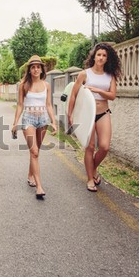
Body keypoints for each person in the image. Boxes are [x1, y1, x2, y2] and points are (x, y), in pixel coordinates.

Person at [67, 42, 121, 192]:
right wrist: (70, 114)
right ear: (94, 56)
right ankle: (90, 179)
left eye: (104, 55)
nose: (101, 58)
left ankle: (93, 168)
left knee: (104, 147)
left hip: (103, 113)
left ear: (107, 58)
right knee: (90, 147)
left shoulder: (110, 76)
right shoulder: (85, 74)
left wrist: (97, 89)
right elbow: (73, 95)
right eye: (99, 55)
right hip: (87, 114)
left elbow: (112, 96)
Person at [12, 55, 57, 199]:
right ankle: (39, 186)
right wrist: (15, 123)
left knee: (36, 152)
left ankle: (30, 174)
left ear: (42, 69)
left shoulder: (46, 85)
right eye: (33, 67)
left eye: (38, 67)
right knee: (35, 152)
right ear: (29, 70)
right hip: (28, 120)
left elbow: (48, 105)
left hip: (43, 120)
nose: (36, 69)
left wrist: (53, 122)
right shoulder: (23, 85)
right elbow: (20, 105)